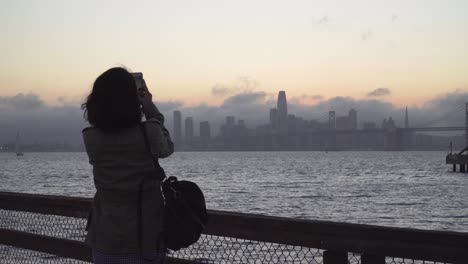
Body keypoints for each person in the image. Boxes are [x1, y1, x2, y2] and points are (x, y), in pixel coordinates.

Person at [81, 67, 174, 263]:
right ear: (133, 100)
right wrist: (150, 109)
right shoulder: (147, 133)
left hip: (104, 240)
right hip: (143, 242)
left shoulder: (93, 138)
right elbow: (167, 148)